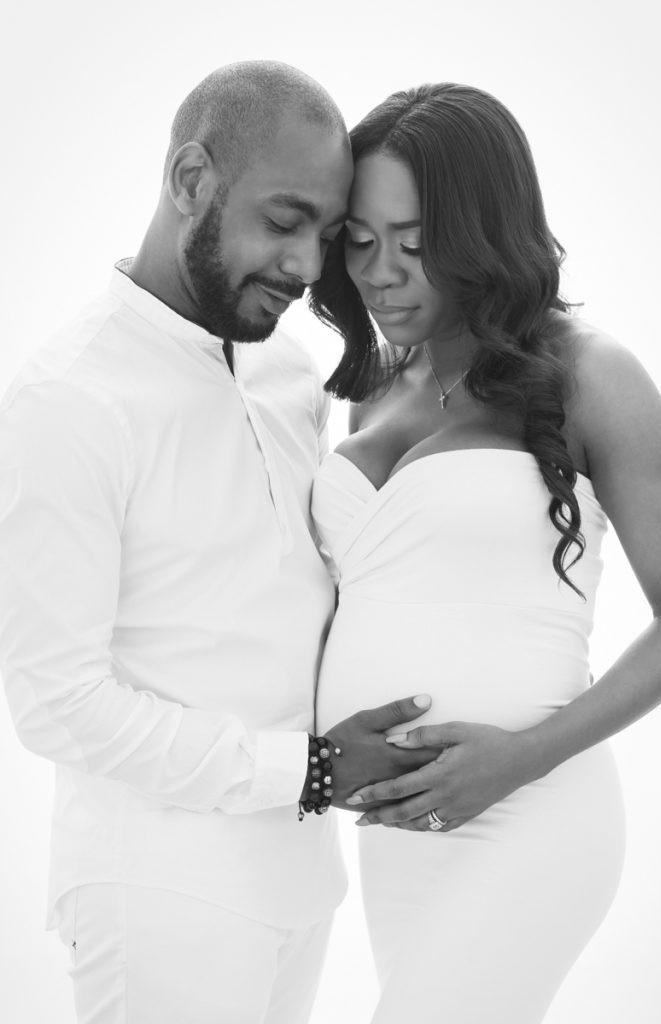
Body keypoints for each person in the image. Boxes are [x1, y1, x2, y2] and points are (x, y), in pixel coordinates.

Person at [0, 62, 436, 1024]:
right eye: (283, 222)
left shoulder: (286, 370)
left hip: (301, 882)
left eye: (327, 235)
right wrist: (312, 770)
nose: (307, 267)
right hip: (157, 892)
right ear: (191, 179)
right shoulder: (70, 399)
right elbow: (55, 702)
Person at [309, 82, 661, 1023]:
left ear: (483, 232)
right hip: (398, 833)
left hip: (533, 813)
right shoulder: (370, 393)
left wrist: (521, 757)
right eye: (359, 238)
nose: (380, 271)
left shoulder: (592, 374)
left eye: (415, 238)